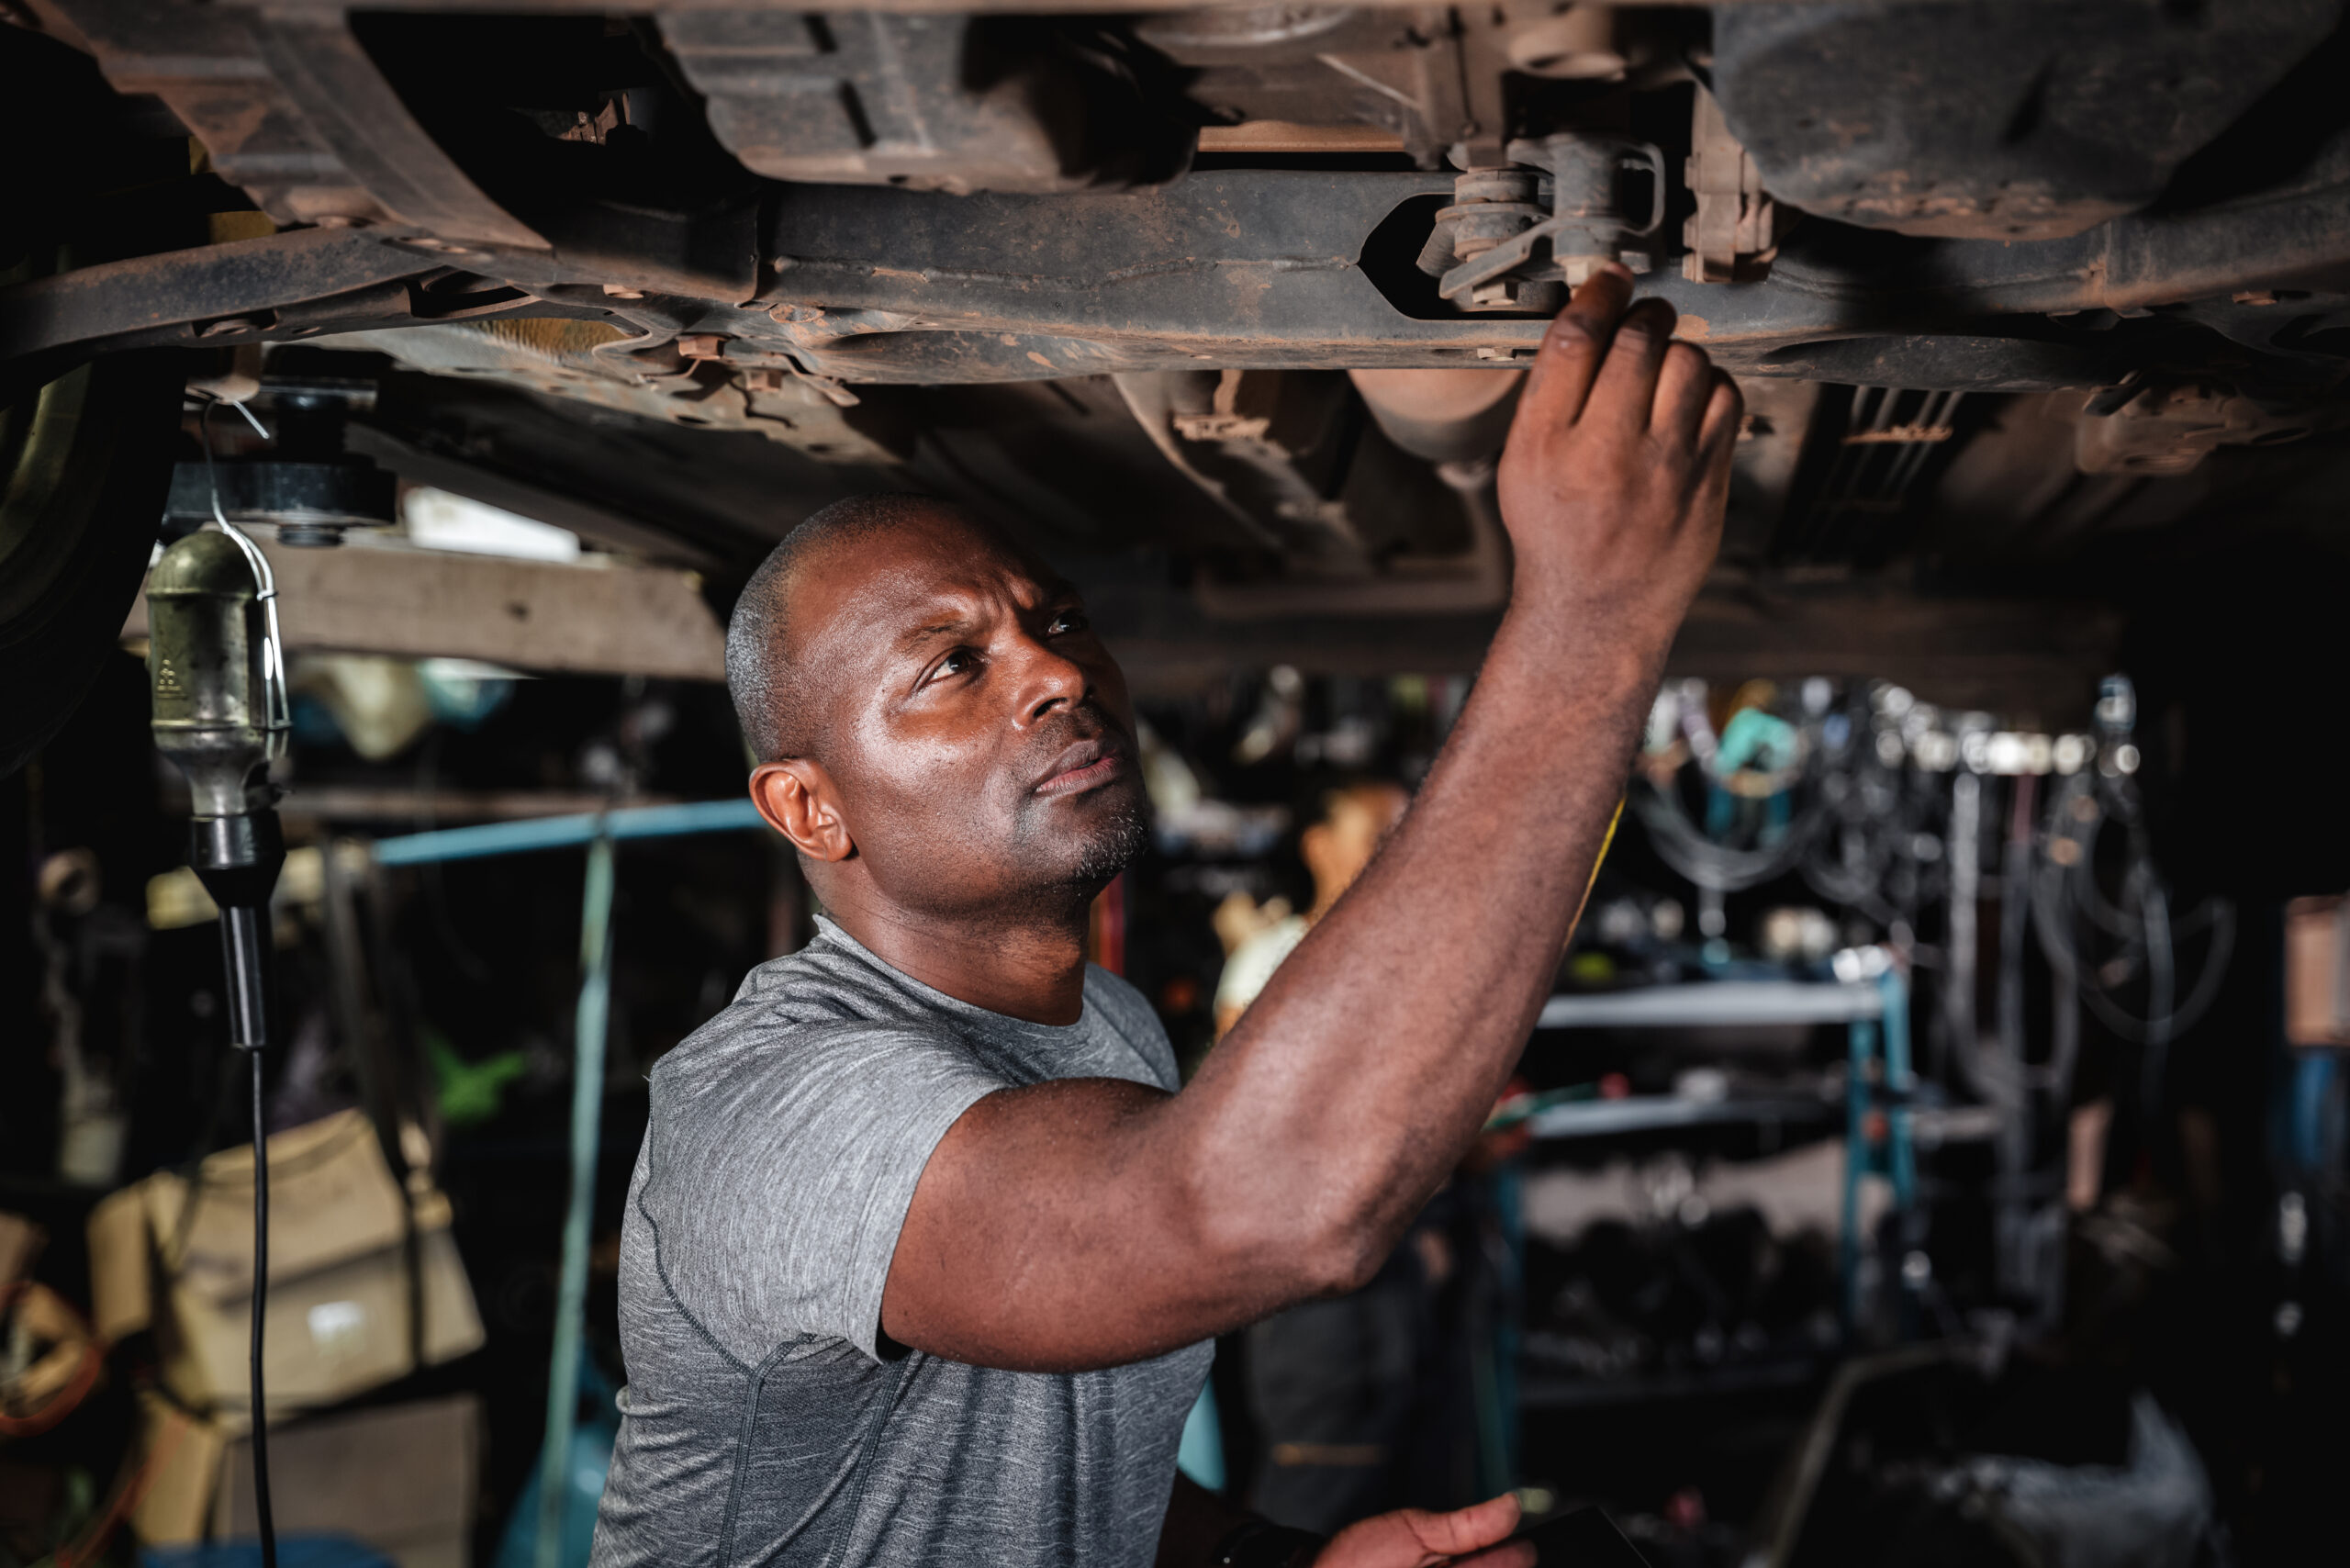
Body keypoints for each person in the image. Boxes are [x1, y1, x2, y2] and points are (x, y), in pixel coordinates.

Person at [589, 269, 1739, 1568]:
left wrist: (1270, 1563)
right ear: (808, 808)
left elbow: (1068, 1473)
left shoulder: (1112, 1030)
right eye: (952, 666)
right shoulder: (775, 1112)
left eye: (1059, 620)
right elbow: (1265, 1207)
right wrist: (1591, 618)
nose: (1061, 672)